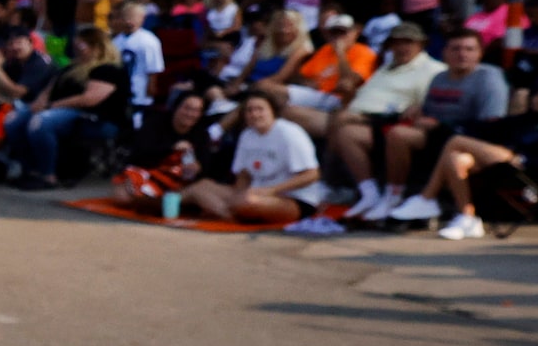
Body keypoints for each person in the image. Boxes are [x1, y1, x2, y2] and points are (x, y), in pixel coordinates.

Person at [380, 28, 511, 223]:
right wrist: (418, 114)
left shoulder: (489, 79)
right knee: (398, 134)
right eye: (456, 49)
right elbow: (430, 115)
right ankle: (394, 195)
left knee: (455, 152)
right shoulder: (439, 78)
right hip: (440, 136)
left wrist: (441, 125)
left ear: (480, 53)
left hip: (474, 142)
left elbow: (490, 127)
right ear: (445, 53)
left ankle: (430, 201)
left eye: (469, 49)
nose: (462, 54)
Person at [329, 23, 437, 220]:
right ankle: (368, 193)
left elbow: (424, 105)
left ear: (420, 44)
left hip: (391, 122)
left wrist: (362, 116)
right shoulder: (387, 67)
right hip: (364, 119)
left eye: (408, 42)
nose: (402, 47)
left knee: (343, 123)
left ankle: (389, 195)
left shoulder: (432, 69)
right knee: (340, 127)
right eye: (396, 43)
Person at [7, 23, 123, 187]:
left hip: (92, 117)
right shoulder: (72, 66)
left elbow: (89, 99)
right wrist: (39, 103)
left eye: (82, 44)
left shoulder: (108, 69)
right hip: (58, 110)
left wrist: (52, 105)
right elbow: (50, 88)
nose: (77, 48)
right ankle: (30, 169)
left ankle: (48, 175)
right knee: (13, 120)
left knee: (41, 122)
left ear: (96, 45)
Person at [184, 89, 322, 225]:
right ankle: (226, 211)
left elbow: (312, 174)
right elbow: (244, 174)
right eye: (249, 110)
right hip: (255, 192)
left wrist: (272, 190)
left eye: (260, 109)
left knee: (247, 202)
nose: (254, 114)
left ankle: (224, 212)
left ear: (272, 111)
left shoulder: (289, 133)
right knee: (202, 186)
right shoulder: (247, 135)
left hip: (291, 198)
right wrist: (237, 194)